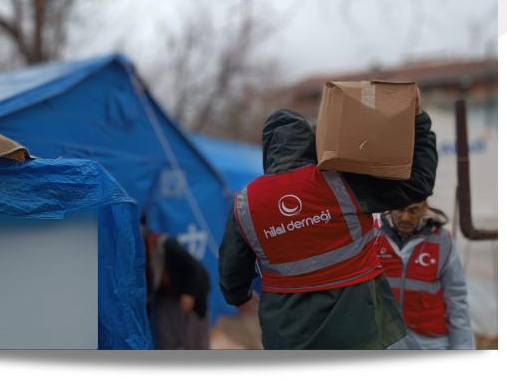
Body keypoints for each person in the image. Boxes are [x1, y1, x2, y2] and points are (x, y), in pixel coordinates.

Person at [219, 97, 438, 349]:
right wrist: (419, 121)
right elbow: (419, 182)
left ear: (268, 151)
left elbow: (231, 273)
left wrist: (240, 296)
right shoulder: (342, 181)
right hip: (364, 331)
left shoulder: (246, 203)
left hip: (289, 339)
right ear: (311, 143)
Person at [375, 201, 475, 349]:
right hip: (387, 341)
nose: (405, 217)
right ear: (389, 210)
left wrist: (463, 347)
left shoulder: (442, 239)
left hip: (430, 343)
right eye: (400, 210)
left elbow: (456, 299)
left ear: (424, 209)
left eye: (413, 211)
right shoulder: (374, 236)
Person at [142, 216, 211, 349]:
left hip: (191, 292)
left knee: (194, 341)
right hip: (166, 297)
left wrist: (189, 293)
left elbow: (194, 267)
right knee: (167, 339)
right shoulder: (139, 256)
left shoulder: (166, 244)